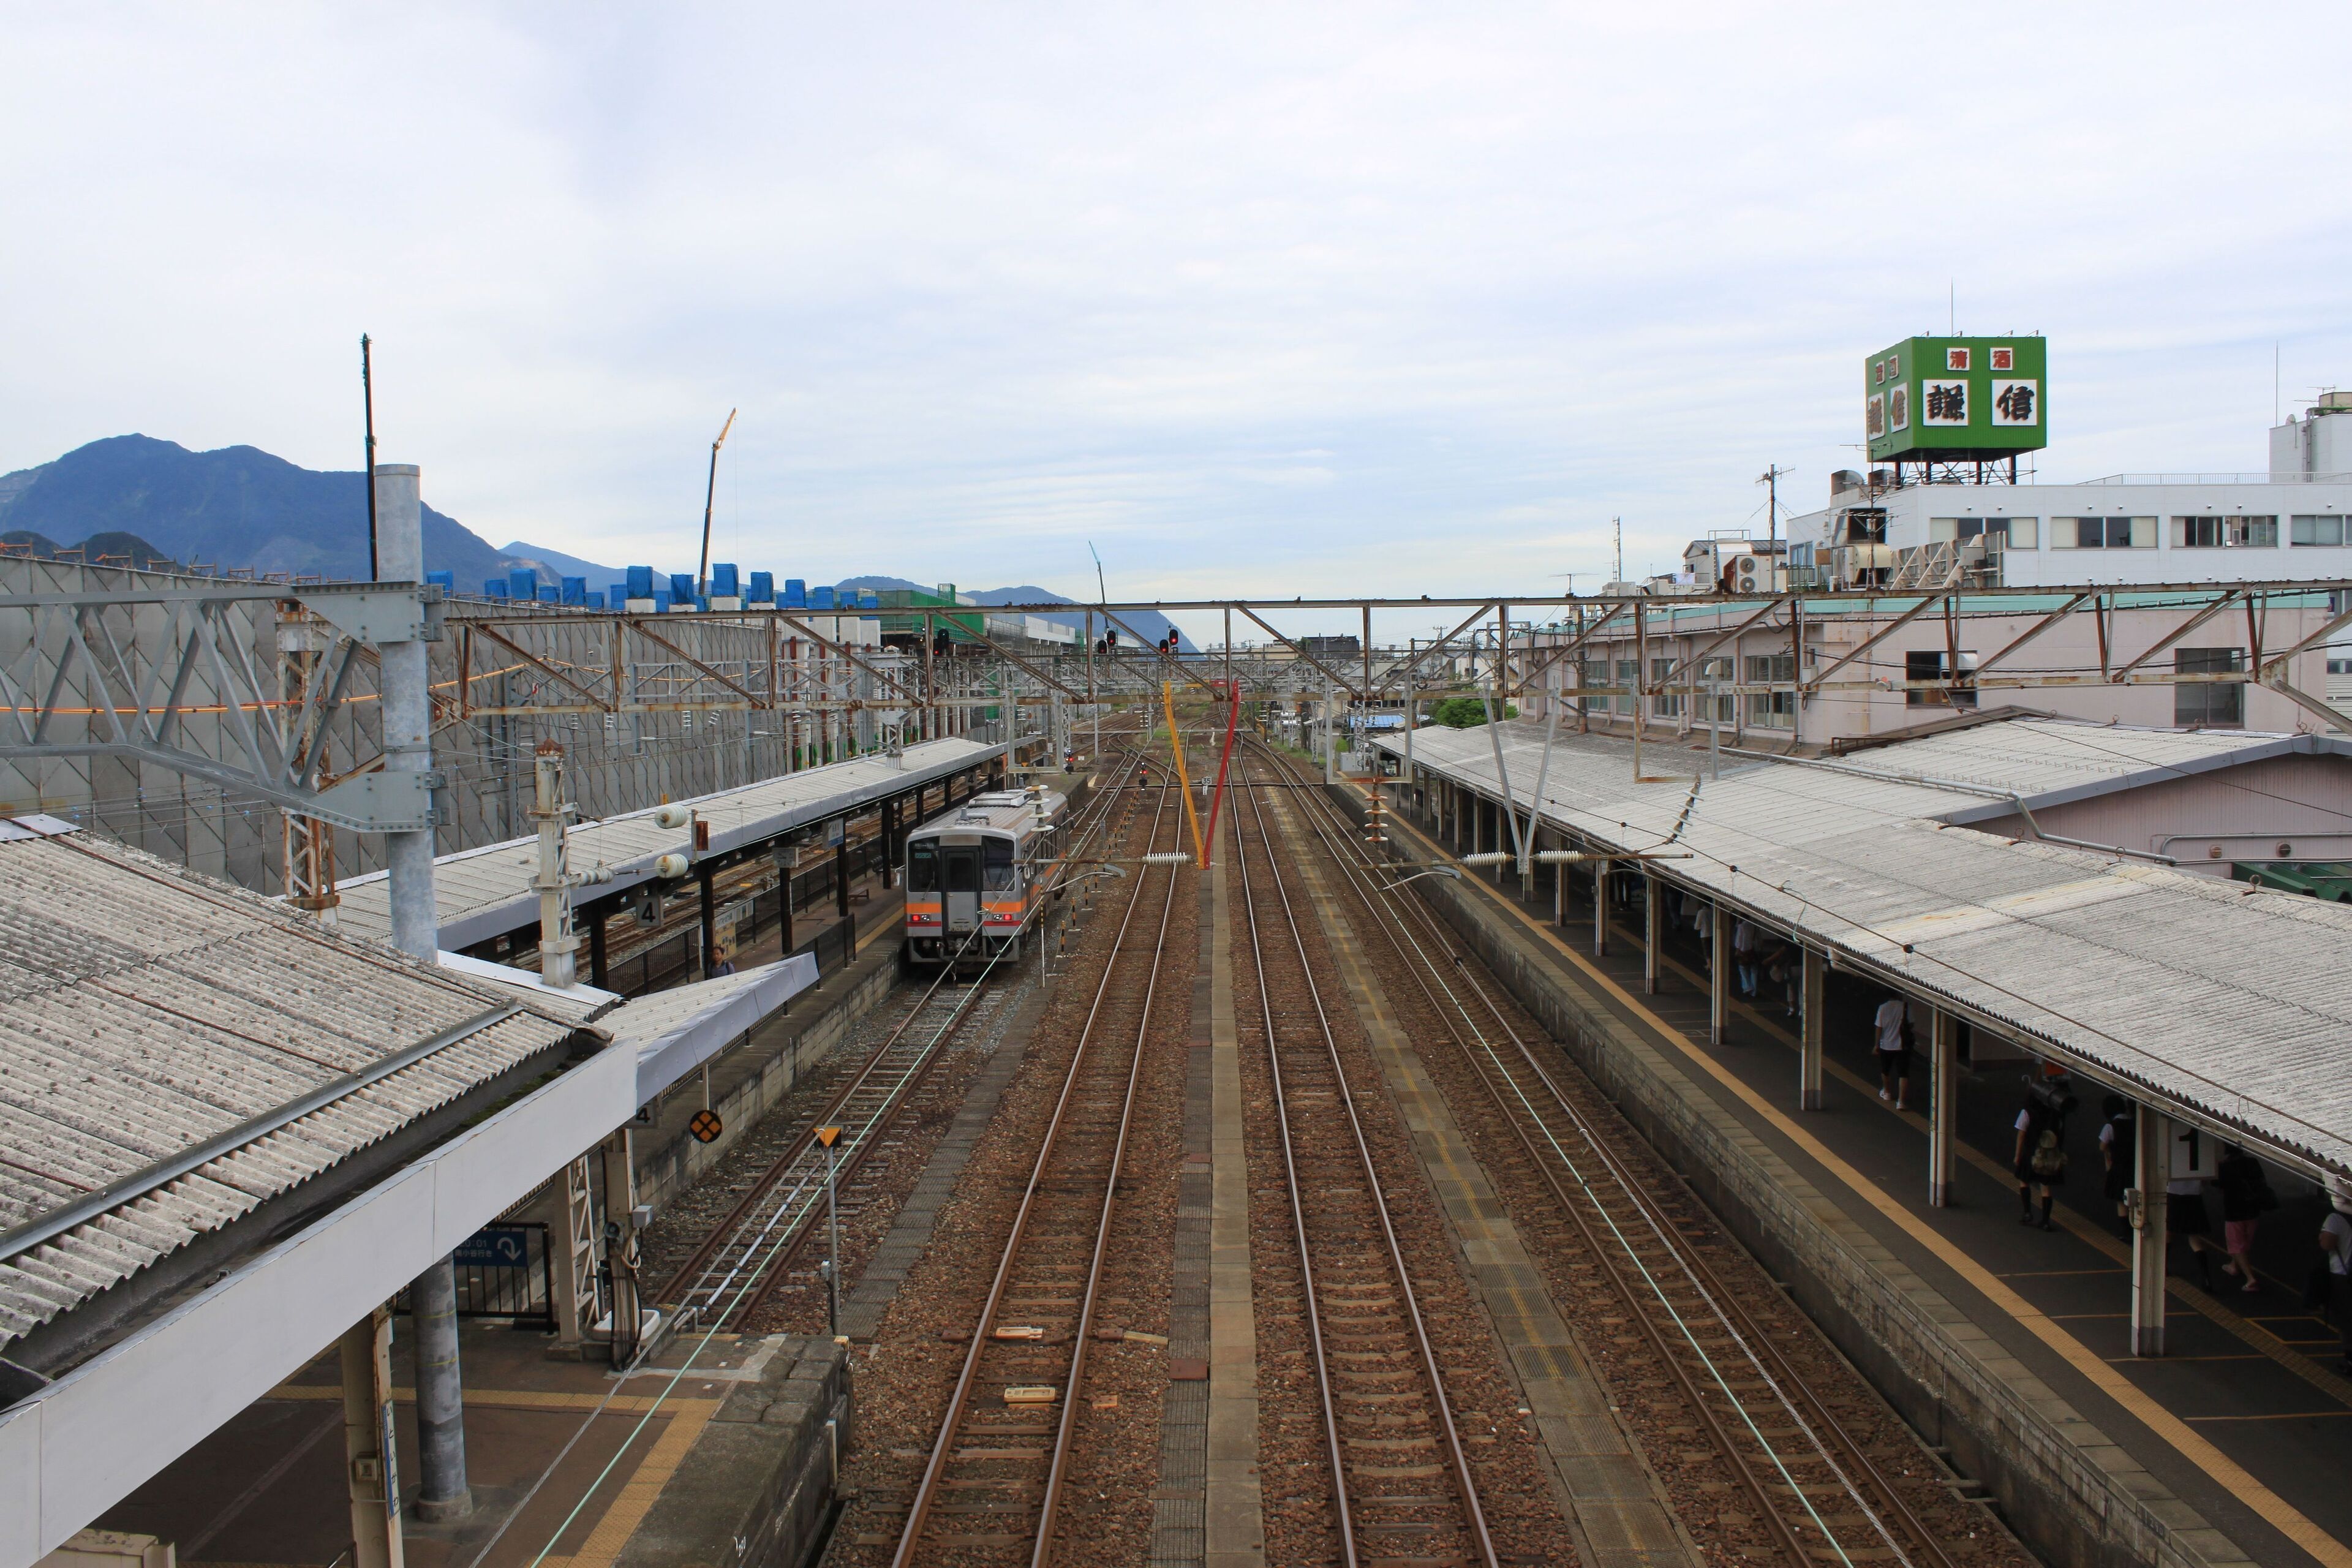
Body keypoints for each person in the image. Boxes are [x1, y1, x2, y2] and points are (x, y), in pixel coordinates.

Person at [2214, 1144, 2275, 1295]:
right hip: (2253, 1208)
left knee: (2236, 1245)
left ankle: (2250, 1278)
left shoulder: (2225, 1167)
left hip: (2234, 1211)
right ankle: (2234, 1265)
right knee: (2246, 1241)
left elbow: (2217, 1184)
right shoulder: (2253, 1162)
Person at [2014, 1083, 2071, 1231]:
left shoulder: (2027, 1113)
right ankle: (2046, 1221)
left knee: (2024, 1181)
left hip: (2030, 1153)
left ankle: (2027, 1212)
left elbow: (2021, 1135)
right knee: (2046, 1189)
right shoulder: (2053, 1113)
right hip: (2048, 1155)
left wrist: (2017, 1156)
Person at [2319, 1188, 2352, 1374]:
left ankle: (2349, 1359)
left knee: (2346, 1319)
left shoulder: (2335, 1219)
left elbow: (2326, 1244)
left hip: (2342, 1275)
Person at [2097, 1096, 2135, 1237]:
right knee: (2134, 1199)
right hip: (2134, 1167)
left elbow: (2102, 1146)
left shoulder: (2111, 1126)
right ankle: (2135, 1225)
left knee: (2121, 1200)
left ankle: (2126, 1232)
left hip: (2118, 1168)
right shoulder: (2134, 1123)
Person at [1872, 994, 1910, 1109]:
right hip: (1902, 1045)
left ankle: (1887, 1092)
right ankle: (1901, 1102)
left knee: (1886, 1070)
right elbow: (1911, 1024)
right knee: (1903, 1073)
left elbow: (1879, 1027)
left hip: (1886, 1045)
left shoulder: (1883, 1008)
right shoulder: (1906, 1007)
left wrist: (1876, 1045)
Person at [1732, 920, 1760, 1000]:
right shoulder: (1754, 925)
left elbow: (1739, 940)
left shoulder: (1741, 926)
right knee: (1754, 970)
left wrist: (1737, 950)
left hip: (1743, 951)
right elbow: (1758, 938)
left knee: (1743, 969)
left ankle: (1747, 987)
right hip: (1753, 951)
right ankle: (1754, 991)